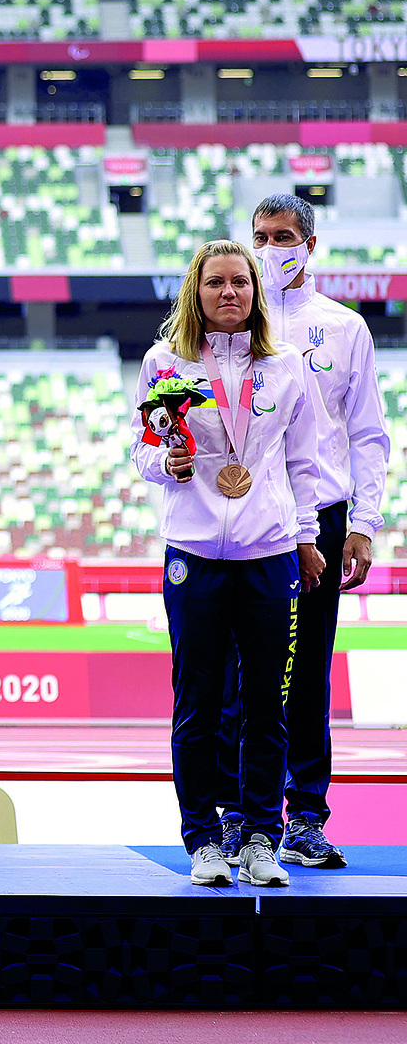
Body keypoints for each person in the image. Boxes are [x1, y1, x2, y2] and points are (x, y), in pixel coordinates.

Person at [134, 239, 324, 888]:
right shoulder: (166, 361)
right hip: (192, 554)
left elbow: (304, 461)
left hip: (269, 554)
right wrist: (168, 463)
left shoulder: (287, 365)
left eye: (240, 282)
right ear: (196, 291)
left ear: (255, 291)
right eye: (215, 283)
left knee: (268, 704)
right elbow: (142, 449)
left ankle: (262, 839)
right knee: (197, 703)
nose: (229, 293)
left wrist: (306, 536)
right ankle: (203, 842)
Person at [212, 194, 391, 867]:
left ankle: (305, 816)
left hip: (321, 511)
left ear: (309, 245)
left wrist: (365, 524)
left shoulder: (343, 329)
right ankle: (234, 815)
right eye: (260, 237)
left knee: (307, 666)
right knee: (233, 667)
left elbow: (370, 434)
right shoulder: (226, 328)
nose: (270, 249)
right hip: (246, 515)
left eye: (283, 237)